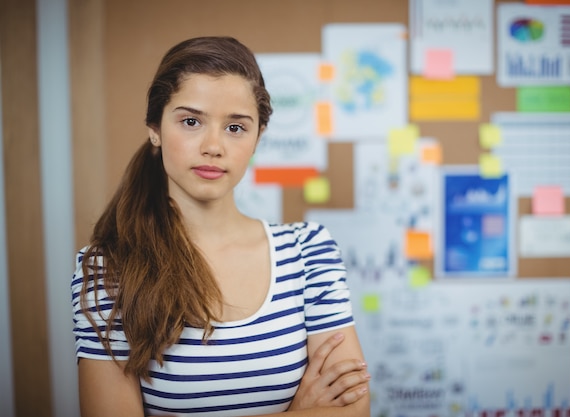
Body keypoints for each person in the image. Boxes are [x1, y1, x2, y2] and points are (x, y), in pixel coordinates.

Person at [71, 36, 371, 417]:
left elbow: (354, 410)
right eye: (191, 121)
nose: (213, 146)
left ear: (258, 136)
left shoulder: (308, 251)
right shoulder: (106, 269)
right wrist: (296, 411)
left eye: (235, 127)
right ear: (155, 129)